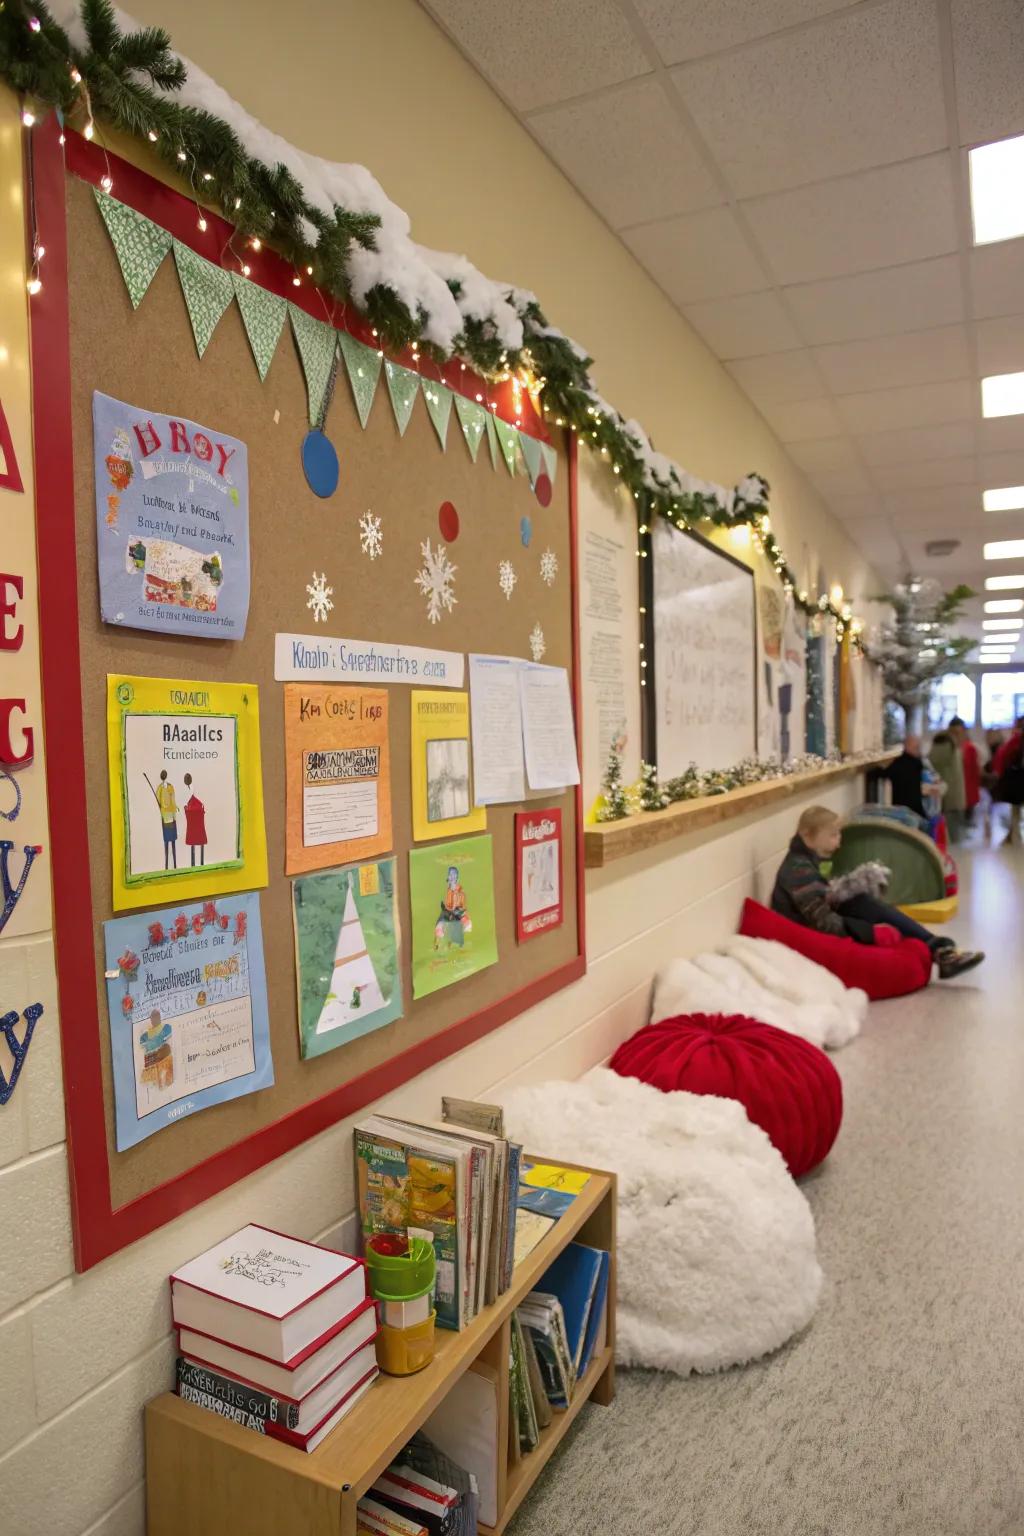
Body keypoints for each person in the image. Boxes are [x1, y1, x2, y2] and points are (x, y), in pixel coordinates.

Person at [771, 805, 984, 980]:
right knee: (864, 906)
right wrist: (871, 931)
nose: (838, 844)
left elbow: (823, 900)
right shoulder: (799, 870)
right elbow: (825, 924)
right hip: (807, 935)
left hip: (813, 924)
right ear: (808, 835)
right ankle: (940, 950)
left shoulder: (806, 861)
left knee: (862, 901)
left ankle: (940, 950)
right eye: (833, 836)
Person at [928, 730, 966, 843]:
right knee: (956, 830)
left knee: (950, 832)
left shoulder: (943, 747)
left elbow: (932, 761)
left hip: (948, 794)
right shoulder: (955, 748)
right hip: (956, 794)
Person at [992, 716, 1024, 845]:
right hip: (1018, 780)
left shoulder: (1016, 739)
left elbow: (1004, 755)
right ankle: (1014, 836)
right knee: (1015, 811)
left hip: (1017, 780)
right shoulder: (1016, 739)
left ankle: (1014, 836)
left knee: (1015, 811)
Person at [884, 735, 927, 819]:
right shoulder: (915, 763)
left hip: (900, 809)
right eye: (916, 747)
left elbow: (884, 773)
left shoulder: (899, 763)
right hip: (910, 810)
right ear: (908, 747)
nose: (918, 750)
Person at [949, 717, 980, 828]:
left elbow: (975, 771)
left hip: (968, 788)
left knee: (966, 820)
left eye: (958, 732)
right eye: (953, 733)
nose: (956, 735)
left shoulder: (970, 748)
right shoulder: (949, 748)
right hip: (954, 789)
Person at [182, 772, 207, 867]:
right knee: (198, 833)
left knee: (193, 834)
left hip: (192, 813)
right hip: (197, 812)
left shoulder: (188, 790)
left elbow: (186, 803)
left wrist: (185, 808)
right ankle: (199, 861)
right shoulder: (192, 788)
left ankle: (194, 862)